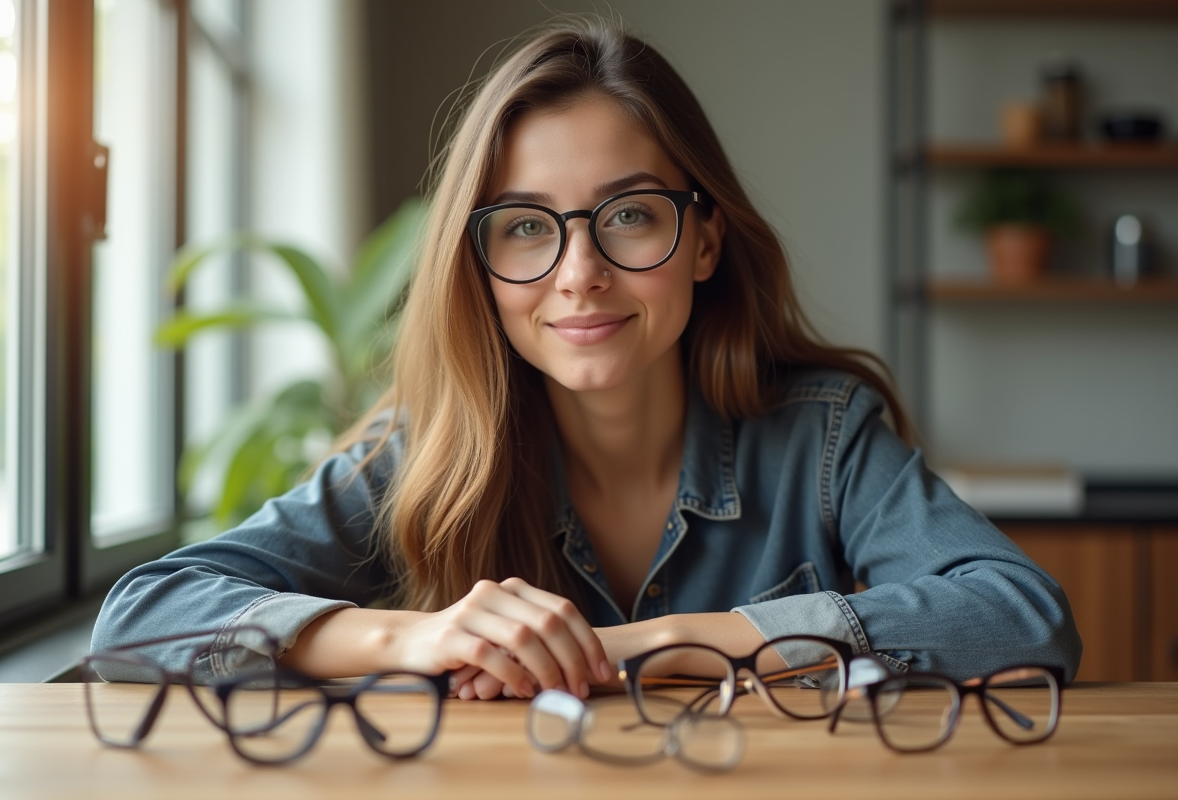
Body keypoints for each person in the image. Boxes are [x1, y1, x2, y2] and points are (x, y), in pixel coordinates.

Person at [92, 17, 1081, 701]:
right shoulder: (423, 453)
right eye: (526, 228)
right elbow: (139, 619)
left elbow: (1019, 615)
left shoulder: (820, 437)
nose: (580, 273)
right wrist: (414, 637)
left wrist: (647, 647)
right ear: (476, 264)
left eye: (631, 216)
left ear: (703, 240)